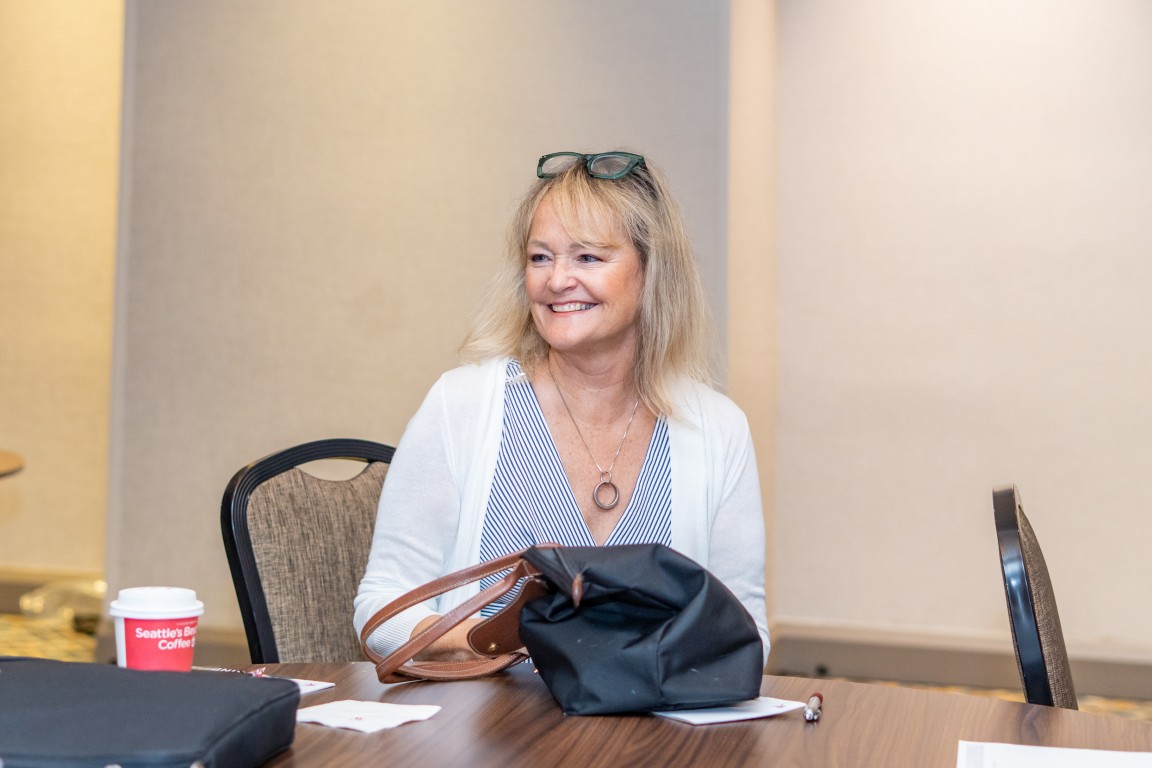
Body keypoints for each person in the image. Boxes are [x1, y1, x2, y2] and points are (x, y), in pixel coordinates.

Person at [354, 150, 769, 663]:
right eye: (540, 257)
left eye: (587, 257)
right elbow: (382, 611)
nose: (556, 280)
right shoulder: (459, 406)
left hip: (652, 719)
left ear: (651, 271)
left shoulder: (719, 429)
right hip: (484, 716)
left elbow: (746, 634)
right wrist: (501, 642)